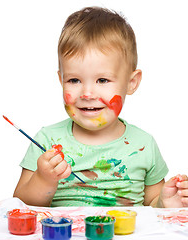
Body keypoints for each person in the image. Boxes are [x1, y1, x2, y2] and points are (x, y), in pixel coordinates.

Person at [13, 7, 188, 207]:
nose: (87, 94)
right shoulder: (47, 141)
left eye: (102, 80)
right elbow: (21, 206)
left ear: (131, 82)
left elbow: (152, 205)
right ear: (61, 80)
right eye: (74, 80)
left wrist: (166, 202)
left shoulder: (144, 145)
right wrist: (43, 179)